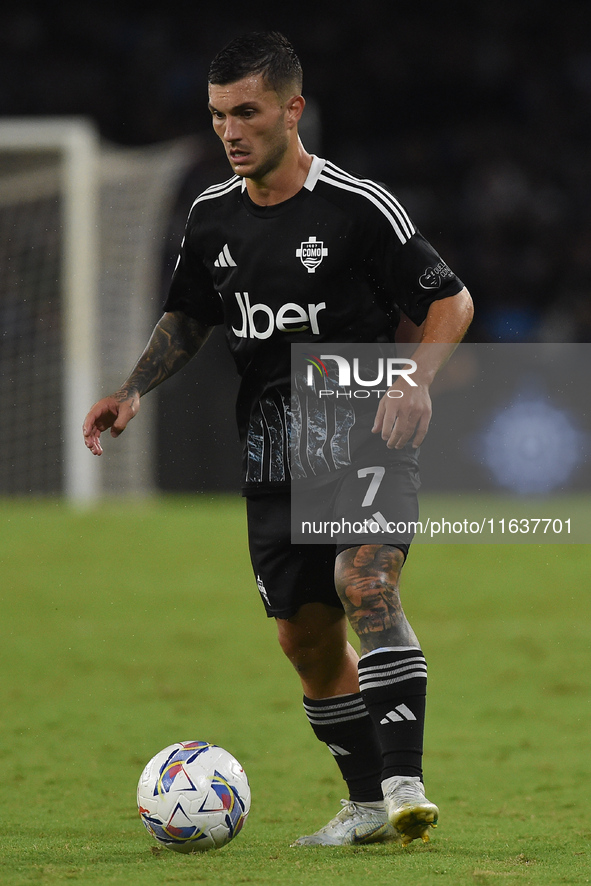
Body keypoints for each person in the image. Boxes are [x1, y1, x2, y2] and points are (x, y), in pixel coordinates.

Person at [83, 31, 473, 847]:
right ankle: (366, 804)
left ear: (292, 110)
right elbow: (191, 313)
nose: (230, 130)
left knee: (364, 581)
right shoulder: (211, 216)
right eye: (220, 114)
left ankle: (405, 781)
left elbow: (451, 301)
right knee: (302, 637)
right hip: (272, 452)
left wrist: (413, 380)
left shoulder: (355, 207)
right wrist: (131, 390)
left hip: (365, 433)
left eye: (247, 113)